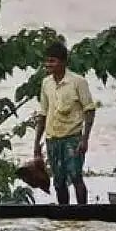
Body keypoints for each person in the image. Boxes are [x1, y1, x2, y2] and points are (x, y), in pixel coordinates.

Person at [33, 41, 96, 205]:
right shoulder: (46, 83)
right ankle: (64, 216)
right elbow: (43, 114)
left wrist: (85, 139)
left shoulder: (77, 82)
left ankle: (83, 213)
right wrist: (36, 144)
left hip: (72, 138)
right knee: (59, 182)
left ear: (63, 62)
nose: (48, 65)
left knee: (76, 177)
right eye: (47, 61)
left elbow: (89, 110)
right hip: (52, 139)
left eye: (52, 61)